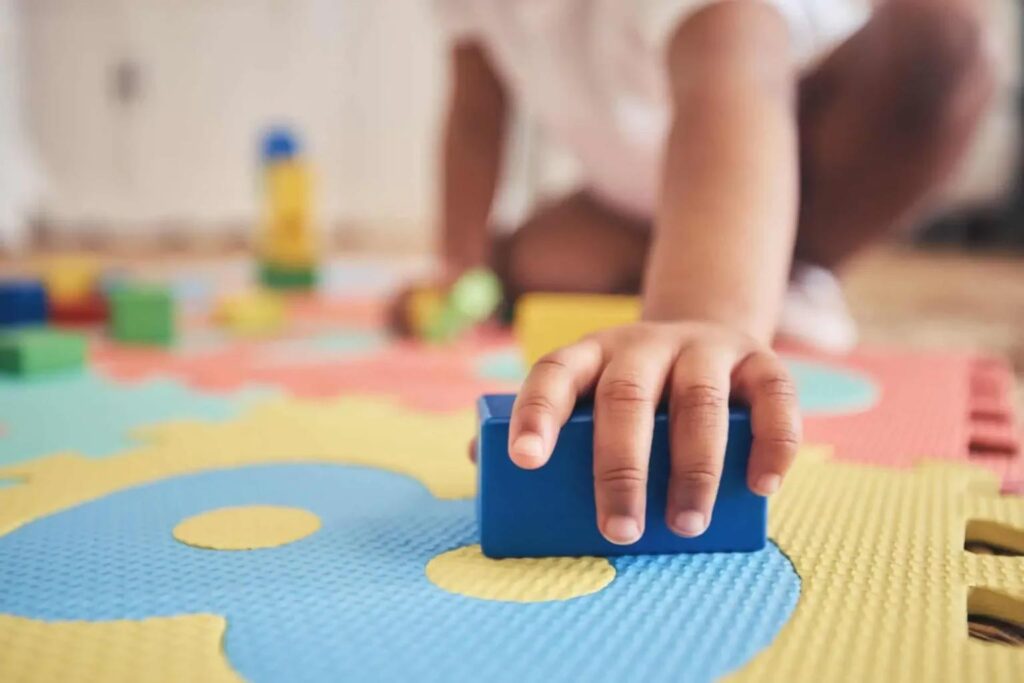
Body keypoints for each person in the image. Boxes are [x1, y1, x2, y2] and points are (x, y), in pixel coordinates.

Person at [418, 0, 994, 545]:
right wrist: (460, 270)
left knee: (944, 44)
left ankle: (772, 265)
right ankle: (717, 257)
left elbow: (735, 73)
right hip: (649, 184)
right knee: (532, 258)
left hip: (815, 143)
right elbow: (476, 112)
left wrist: (701, 321)